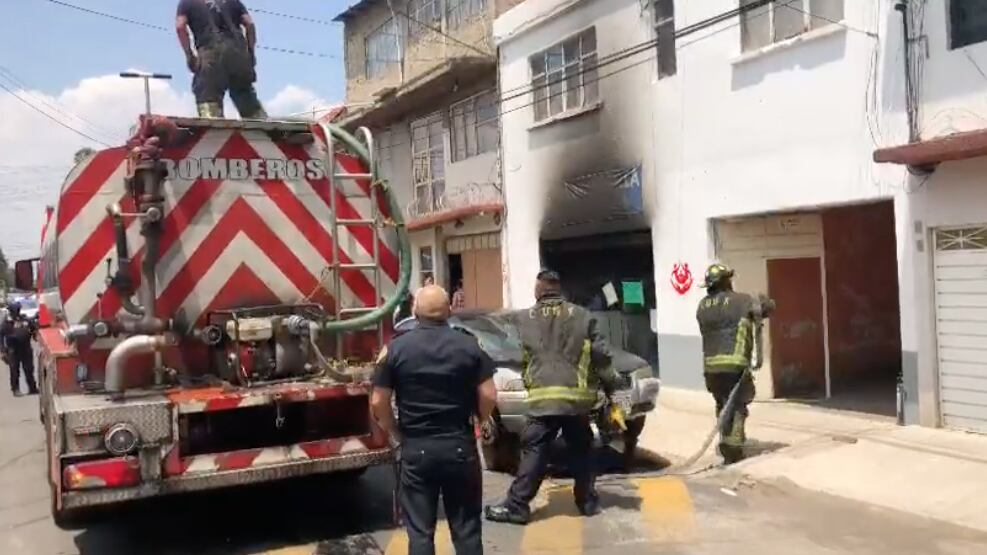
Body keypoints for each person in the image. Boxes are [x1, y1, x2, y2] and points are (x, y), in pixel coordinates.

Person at [371, 285, 498, 555]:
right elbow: (488, 394)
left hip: (417, 449)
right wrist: (479, 418)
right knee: (466, 530)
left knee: (420, 532)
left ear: (414, 312)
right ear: (449, 311)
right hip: (459, 446)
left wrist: (396, 432)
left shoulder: (396, 348)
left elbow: (378, 401)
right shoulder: (469, 345)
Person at [485, 270, 619, 525]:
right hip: (576, 401)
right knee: (582, 450)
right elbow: (603, 358)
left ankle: (517, 506)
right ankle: (587, 502)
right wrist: (617, 394)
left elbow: (514, 353)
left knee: (535, 452)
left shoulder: (523, 319)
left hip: (542, 401)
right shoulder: (583, 316)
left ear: (538, 291)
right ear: (559, 290)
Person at [695, 263, 774, 464]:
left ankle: (726, 439)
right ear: (726, 280)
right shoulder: (742, 301)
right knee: (738, 404)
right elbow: (768, 307)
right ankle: (733, 448)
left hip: (711, 368)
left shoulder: (702, 307)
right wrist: (762, 299)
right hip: (735, 365)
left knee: (722, 403)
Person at [176, 0, 268, 119]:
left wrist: (189, 55)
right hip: (238, 54)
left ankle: (214, 130)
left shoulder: (187, 3)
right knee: (245, 94)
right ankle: (265, 130)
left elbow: (180, 27)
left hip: (210, 54)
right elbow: (250, 24)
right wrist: (250, 52)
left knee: (208, 98)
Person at [1, 302, 39, 397]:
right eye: (15, 310)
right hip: (13, 349)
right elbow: (0, 336)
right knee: (14, 370)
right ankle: (15, 389)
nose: (16, 312)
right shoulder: (6, 323)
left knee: (29, 369)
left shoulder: (24, 320)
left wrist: (34, 334)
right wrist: (2, 352)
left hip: (26, 347)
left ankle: (32, 388)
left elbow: (33, 329)